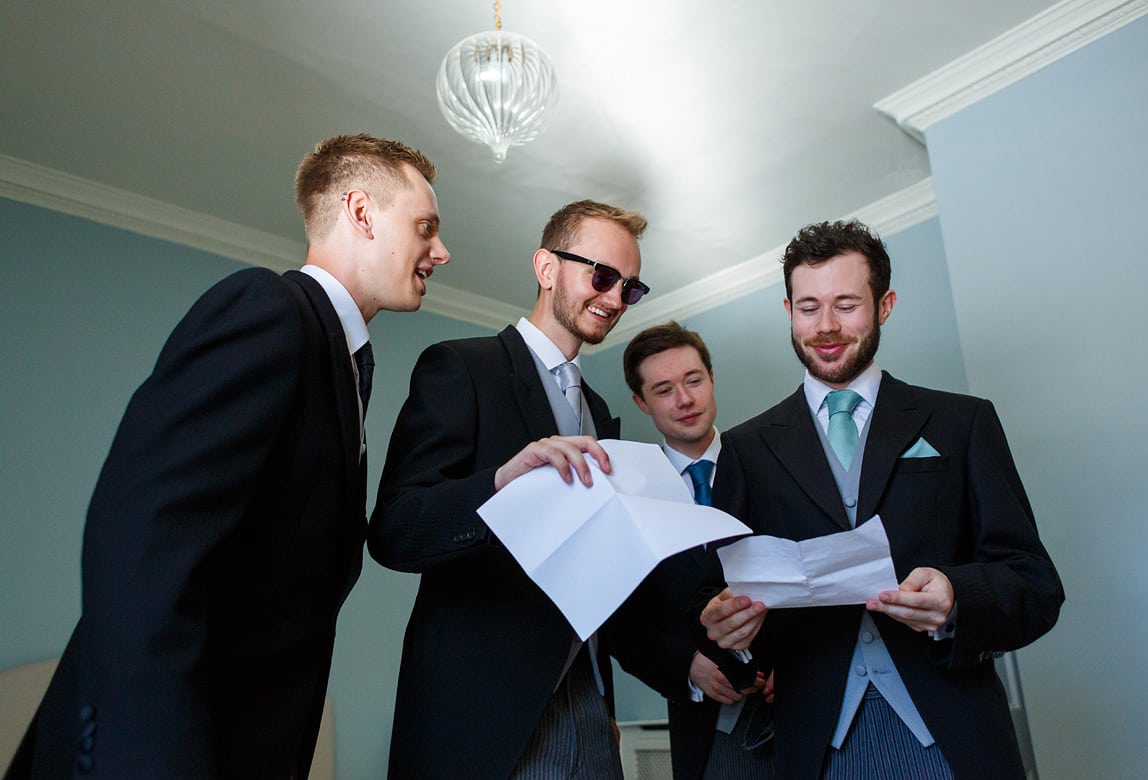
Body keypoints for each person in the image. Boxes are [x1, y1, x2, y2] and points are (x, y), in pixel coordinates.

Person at [9, 134, 450, 778]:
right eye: (426, 227)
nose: (442, 251)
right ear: (361, 213)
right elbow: (142, 537)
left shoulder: (347, 363)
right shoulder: (268, 308)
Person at [698, 220, 1064, 780]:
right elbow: (734, 607)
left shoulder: (962, 423)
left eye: (846, 305)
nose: (825, 327)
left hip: (957, 738)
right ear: (788, 309)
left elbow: (1034, 583)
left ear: (885, 305)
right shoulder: (745, 450)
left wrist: (956, 598)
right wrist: (736, 637)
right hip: (814, 748)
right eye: (808, 307)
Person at [367, 199, 650, 779]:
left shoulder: (599, 410)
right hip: (484, 719)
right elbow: (394, 529)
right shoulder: (460, 368)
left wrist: (603, 702)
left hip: (591, 712)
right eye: (602, 276)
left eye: (631, 287)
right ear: (546, 268)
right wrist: (500, 483)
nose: (616, 298)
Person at [613, 322, 774, 780]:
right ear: (642, 403)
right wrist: (687, 667)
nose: (684, 400)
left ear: (711, 379)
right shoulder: (630, 501)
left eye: (693, 380)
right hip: (705, 728)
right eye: (663, 390)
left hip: (805, 705)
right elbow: (622, 627)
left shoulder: (771, 464)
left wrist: (796, 662)